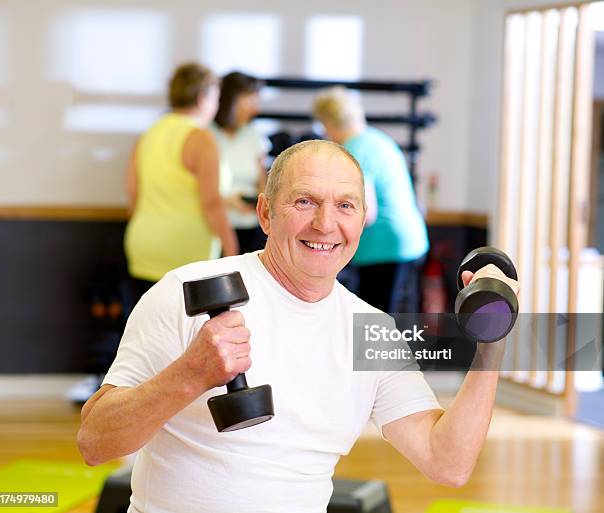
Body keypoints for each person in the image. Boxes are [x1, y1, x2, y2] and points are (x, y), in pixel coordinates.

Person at [78, 140, 519, 513]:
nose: (325, 224)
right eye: (305, 201)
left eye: (345, 206)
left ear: (362, 220)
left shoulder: (370, 331)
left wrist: (490, 348)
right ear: (266, 214)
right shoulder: (186, 291)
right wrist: (189, 375)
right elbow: (94, 442)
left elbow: (447, 463)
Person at [124, 62, 238, 299]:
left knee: (149, 331)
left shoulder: (149, 134)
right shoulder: (200, 137)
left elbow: (133, 194)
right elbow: (211, 203)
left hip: (142, 243)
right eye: (215, 98)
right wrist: (232, 254)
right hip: (186, 250)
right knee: (188, 334)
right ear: (201, 98)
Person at [313, 87, 429, 313]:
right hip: (409, 241)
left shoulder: (354, 150)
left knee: (374, 325)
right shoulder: (377, 139)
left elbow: (367, 213)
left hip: (384, 247)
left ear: (329, 123)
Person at [211, 71, 271, 254]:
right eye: (251, 100)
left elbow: (262, 180)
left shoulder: (253, 135)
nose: (256, 108)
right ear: (232, 100)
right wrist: (227, 201)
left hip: (250, 226)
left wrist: (261, 203)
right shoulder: (205, 135)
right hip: (214, 226)